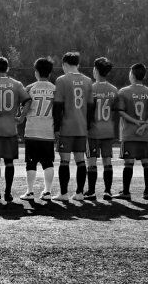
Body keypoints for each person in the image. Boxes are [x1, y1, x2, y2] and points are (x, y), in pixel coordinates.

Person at [0, 56, 30, 202]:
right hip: (11, 128)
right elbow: (28, 100)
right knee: (9, 162)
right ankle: (8, 193)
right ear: (7, 68)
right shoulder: (17, 84)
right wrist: (21, 117)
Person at [52, 52, 94, 202]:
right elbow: (91, 107)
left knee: (64, 161)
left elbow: (58, 107)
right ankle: (79, 193)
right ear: (78, 65)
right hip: (81, 127)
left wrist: (56, 128)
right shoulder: (88, 81)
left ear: (64, 64)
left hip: (66, 127)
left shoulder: (61, 80)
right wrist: (87, 126)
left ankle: (63, 194)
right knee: (80, 160)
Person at [115, 63, 148, 200]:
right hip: (145, 134)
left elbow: (121, 112)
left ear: (132, 75)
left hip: (129, 133)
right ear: (143, 76)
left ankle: (126, 192)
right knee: (147, 163)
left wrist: (135, 122)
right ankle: (147, 192)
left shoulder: (123, 91)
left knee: (128, 163)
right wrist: (144, 126)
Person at [21, 57, 56, 202]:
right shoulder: (55, 89)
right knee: (48, 163)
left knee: (31, 163)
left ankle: (30, 192)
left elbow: (23, 106)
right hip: (48, 131)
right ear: (50, 73)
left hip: (32, 131)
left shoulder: (30, 88)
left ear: (36, 72)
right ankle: (47, 191)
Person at [87, 57, 118, 200]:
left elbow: (87, 111)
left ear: (95, 70)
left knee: (92, 161)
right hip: (108, 130)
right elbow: (115, 110)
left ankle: (91, 192)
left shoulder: (90, 88)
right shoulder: (114, 90)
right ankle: (107, 191)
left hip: (93, 131)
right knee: (107, 161)